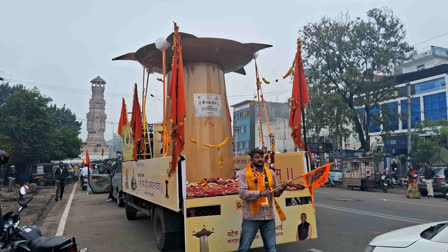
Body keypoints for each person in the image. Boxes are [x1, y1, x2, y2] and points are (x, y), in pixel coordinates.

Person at [237, 148, 287, 252]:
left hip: (268, 216)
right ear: (251, 159)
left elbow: (275, 193)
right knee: (243, 249)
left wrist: (282, 189)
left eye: (261, 157)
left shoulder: (271, 173)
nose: (260, 159)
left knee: (271, 249)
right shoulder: (243, 174)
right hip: (251, 217)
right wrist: (260, 193)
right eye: (257, 157)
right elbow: (242, 193)